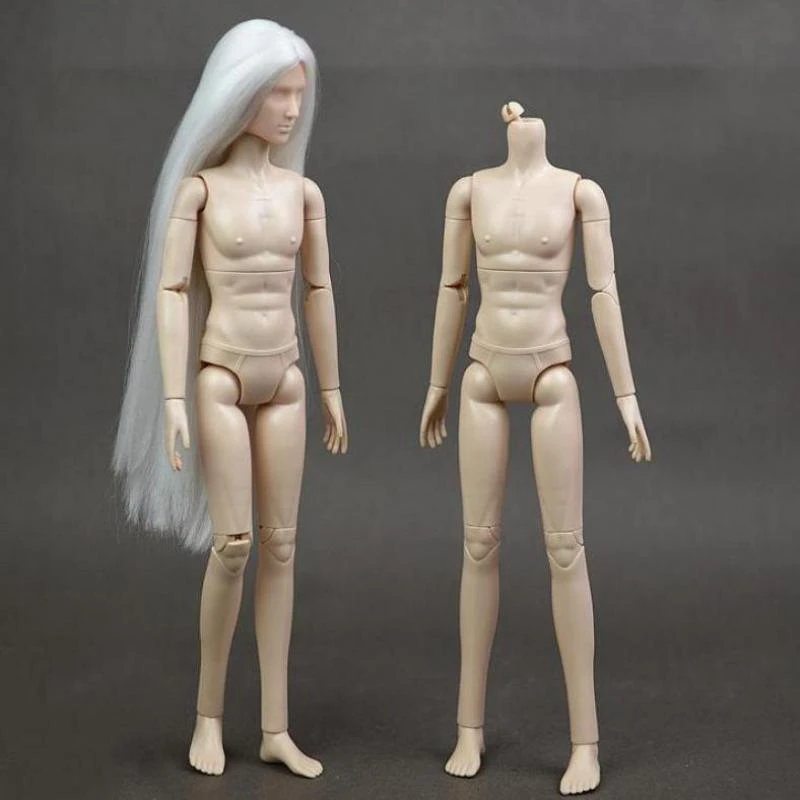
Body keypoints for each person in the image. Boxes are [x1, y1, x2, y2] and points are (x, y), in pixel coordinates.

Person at [113, 19, 347, 778]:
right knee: (234, 545)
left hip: (286, 381)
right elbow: (172, 290)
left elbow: (318, 291)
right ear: (241, 93)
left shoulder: (303, 194)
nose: (291, 108)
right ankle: (207, 718)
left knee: (282, 547)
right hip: (220, 378)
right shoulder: (200, 191)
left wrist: (332, 387)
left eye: (298, 94)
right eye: (277, 92)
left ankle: (276, 727)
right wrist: (173, 400)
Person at [420, 101, 651, 795]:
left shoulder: (581, 194)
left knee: (566, 549)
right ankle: (468, 726)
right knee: (478, 546)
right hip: (483, 373)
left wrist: (626, 395)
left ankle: (586, 742)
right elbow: (452, 287)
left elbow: (604, 292)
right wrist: (437, 382)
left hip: (551, 370)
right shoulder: (469, 191)